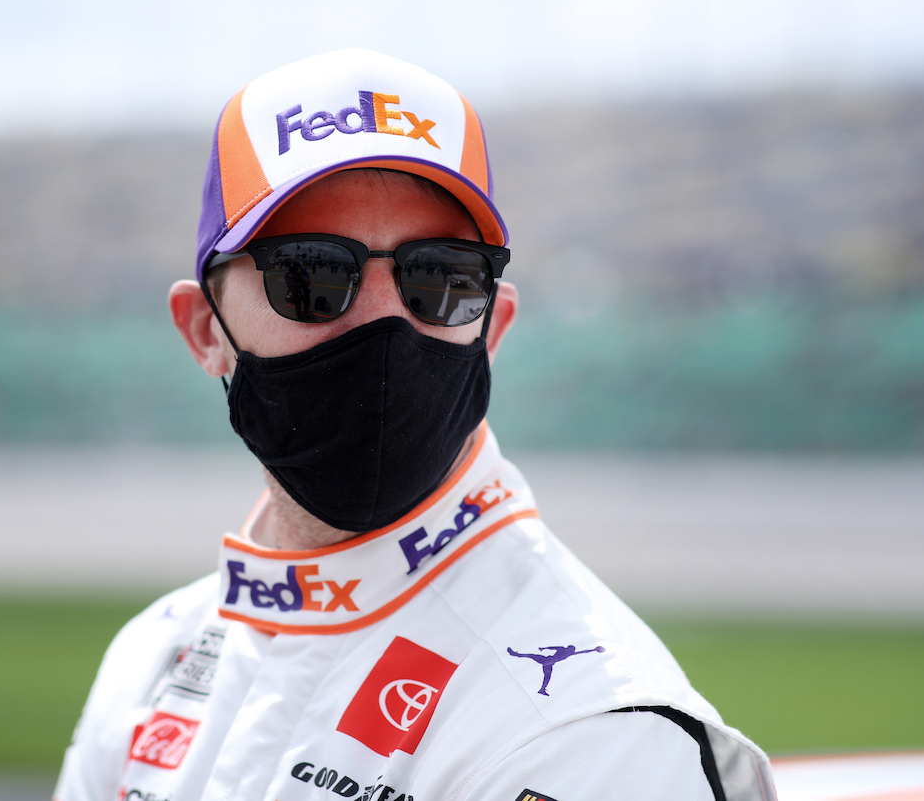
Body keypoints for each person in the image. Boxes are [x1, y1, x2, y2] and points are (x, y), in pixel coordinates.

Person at [54, 50, 775, 801]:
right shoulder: (154, 655)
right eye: (310, 273)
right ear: (204, 329)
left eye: (441, 278)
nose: (384, 325)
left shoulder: (589, 729)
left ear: (490, 328)